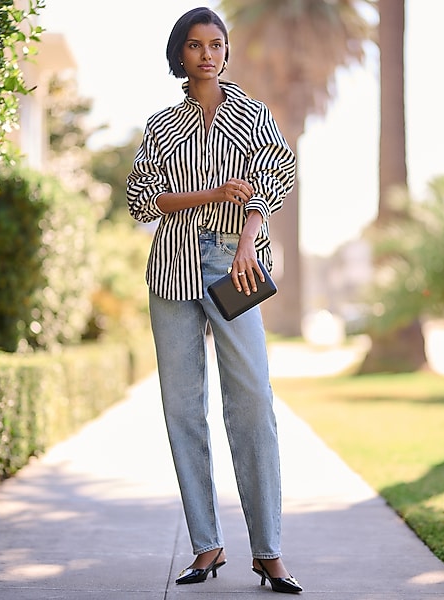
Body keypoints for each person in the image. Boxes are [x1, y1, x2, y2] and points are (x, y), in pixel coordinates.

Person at [127, 6, 302, 594]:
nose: (207, 53)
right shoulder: (159, 128)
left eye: (216, 43)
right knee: (183, 410)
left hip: (236, 265)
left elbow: (275, 179)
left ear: (227, 51)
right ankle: (207, 546)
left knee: (252, 401)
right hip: (170, 269)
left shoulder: (254, 116)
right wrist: (207, 192)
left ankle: (268, 551)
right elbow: (139, 201)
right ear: (180, 54)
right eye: (196, 45)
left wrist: (248, 241)